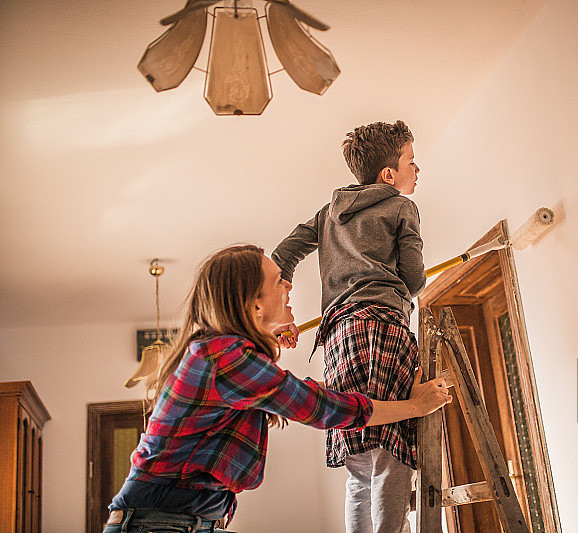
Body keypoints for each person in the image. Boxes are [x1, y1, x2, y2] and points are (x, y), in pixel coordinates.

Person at [104, 244, 449, 533]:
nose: (289, 287)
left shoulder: (221, 354)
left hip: (185, 519)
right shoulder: (223, 357)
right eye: (278, 282)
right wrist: (413, 407)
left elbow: (296, 394)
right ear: (254, 305)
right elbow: (318, 406)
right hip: (159, 522)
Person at [271, 120, 425, 532]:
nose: (418, 168)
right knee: (391, 452)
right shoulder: (400, 206)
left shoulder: (329, 212)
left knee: (359, 460)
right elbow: (413, 279)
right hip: (382, 325)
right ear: (388, 174)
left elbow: (284, 251)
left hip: (339, 336)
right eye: (412, 160)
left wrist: (282, 295)